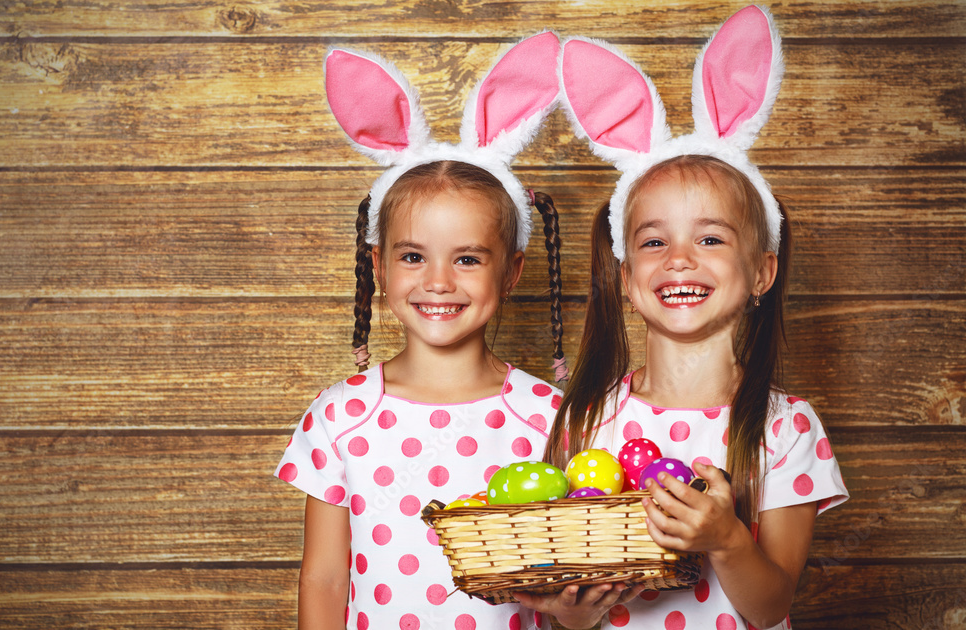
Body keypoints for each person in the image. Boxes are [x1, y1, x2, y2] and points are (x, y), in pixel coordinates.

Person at [516, 8, 848, 629]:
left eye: (712, 240)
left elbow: (771, 603)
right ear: (625, 280)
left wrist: (724, 539)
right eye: (652, 242)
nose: (678, 261)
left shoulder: (786, 428)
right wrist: (571, 612)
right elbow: (569, 607)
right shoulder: (587, 418)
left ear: (762, 274)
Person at [275, 33, 571, 629]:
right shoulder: (339, 416)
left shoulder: (551, 417)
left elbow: (566, 585)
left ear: (511, 270)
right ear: (379, 265)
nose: (438, 282)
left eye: (467, 259)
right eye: (414, 257)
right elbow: (326, 578)